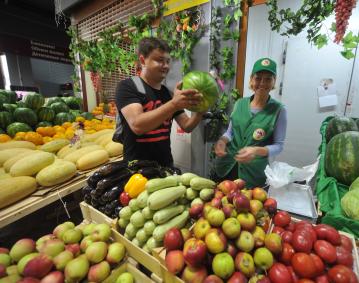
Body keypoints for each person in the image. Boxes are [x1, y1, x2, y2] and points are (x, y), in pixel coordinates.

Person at [115, 37, 204, 166]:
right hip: (136, 168)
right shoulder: (129, 86)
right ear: (142, 60)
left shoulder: (167, 93)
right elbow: (137, 125)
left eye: (168, 61)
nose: (166, 66)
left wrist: (200, 111)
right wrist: (174, 104)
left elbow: (187, 125)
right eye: (160, 60)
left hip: (165, 166)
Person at [214, 57, 287, 188]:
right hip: (227, 167)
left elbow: (279, 146)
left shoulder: (279, 110)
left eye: (268, 79)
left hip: (253, 174)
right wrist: (222, 141)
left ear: (274, 82)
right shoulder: (239, 103)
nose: (262, 83)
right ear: (251, 80)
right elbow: (230, 132)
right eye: (258, 78)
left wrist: (256, 150)